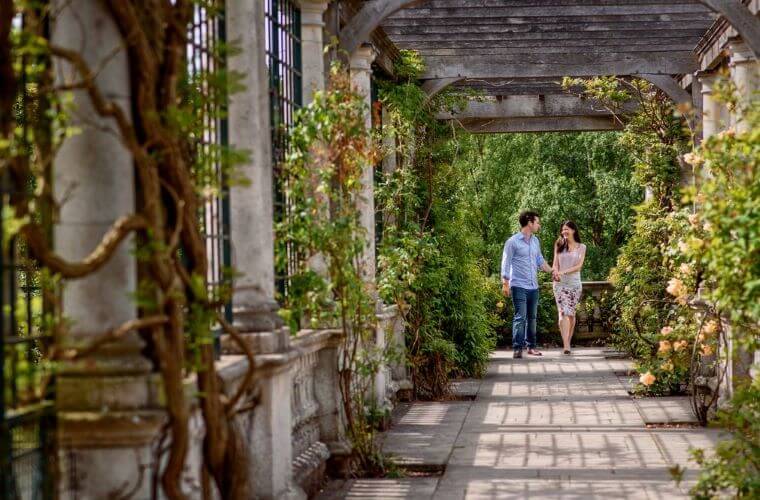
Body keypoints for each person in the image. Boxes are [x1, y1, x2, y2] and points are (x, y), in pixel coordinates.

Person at [501, 211, 558, 359]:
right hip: (518, 285)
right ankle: (517, 348)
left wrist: (552, 270)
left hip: (534, 286)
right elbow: (505, 263)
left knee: (532, 318)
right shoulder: (512, 242)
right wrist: (505, 283)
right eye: (537, 222)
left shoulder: (535, 241)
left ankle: (531, 347)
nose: (539, 225)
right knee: (520, 317)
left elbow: (540, 260)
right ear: (529, 222)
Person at [552, 221, 586, 355]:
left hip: (575, 285)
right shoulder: (559, 244)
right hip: (559, 285)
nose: (564, 232)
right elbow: (555, 263)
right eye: (563, 230)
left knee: (571, 315)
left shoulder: (582, 247)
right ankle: (566, 345)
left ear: (573, 230)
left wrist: (563, 272)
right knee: (562, 313)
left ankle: (568, 342)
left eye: (567, 229)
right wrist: (555, 272)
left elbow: (578, 266)